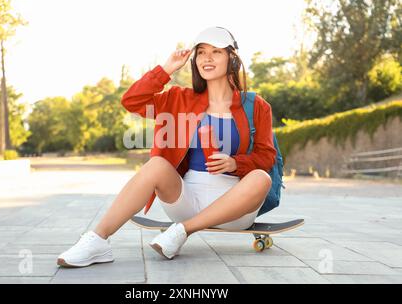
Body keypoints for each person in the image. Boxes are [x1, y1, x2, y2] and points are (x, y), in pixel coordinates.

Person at [57, 26, 277, 267]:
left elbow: (267, 157)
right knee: (156, 165)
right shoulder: (178, 98)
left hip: (234, 209)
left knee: (261, 178)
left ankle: (183, 231)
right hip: (186, 200)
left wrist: (236, 163)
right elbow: (131, 101)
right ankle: (97, 241)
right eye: (201, 52)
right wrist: (166, 69)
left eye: (216, 52)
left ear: (232, 59)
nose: (207, 58)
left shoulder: (257, 105)